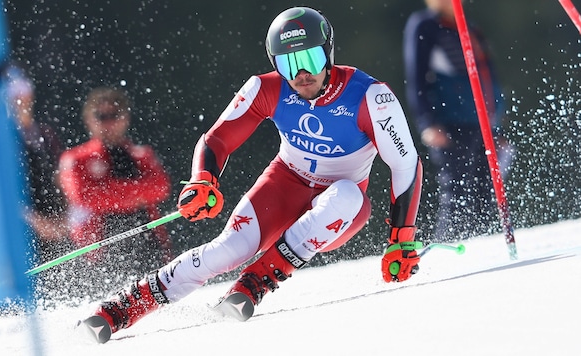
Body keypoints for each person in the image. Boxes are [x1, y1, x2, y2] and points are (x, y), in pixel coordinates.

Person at [79, 7, 424, 344]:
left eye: (312, 60)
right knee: (227, 251)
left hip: (340, 210)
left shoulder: (371, 96)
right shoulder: (266, 88)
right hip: (285, 184)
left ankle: (253, 284)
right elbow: (216, 139)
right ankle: (121, 308)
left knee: (347, 194)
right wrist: (203, 179)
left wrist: (401, 237)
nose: (302, 73)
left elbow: (406, 163)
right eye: (289, 63)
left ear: (329, 53)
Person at [403, 0, 513, 242]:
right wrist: (427, 123)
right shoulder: (425, 26)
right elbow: (416, 77)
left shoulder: (469, 27)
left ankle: (485, 245)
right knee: (458, 195)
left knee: (487, 193)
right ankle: (451, 247)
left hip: (485, 124)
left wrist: (498, 128)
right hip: (451, 124)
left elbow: (487, 76)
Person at [58, 87, 174, 298]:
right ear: (88, 120)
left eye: (115, 115)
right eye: (101, 116)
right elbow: (85, 197)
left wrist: (112, 191)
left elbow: (161, 187)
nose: (109, 123)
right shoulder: (75, 158)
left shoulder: (141, 154)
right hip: (100, 252)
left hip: (149, 247)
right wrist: (137, 193)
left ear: (126, 118)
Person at [5, 66, 71, 263]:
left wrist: (65, 220)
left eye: (25, 98)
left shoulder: (45, 134)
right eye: (15, 100)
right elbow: (3, 192)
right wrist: (37, 222)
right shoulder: (3, 143)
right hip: (23, 230)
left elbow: (62, 178)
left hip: (55, 226)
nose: (21, 104)